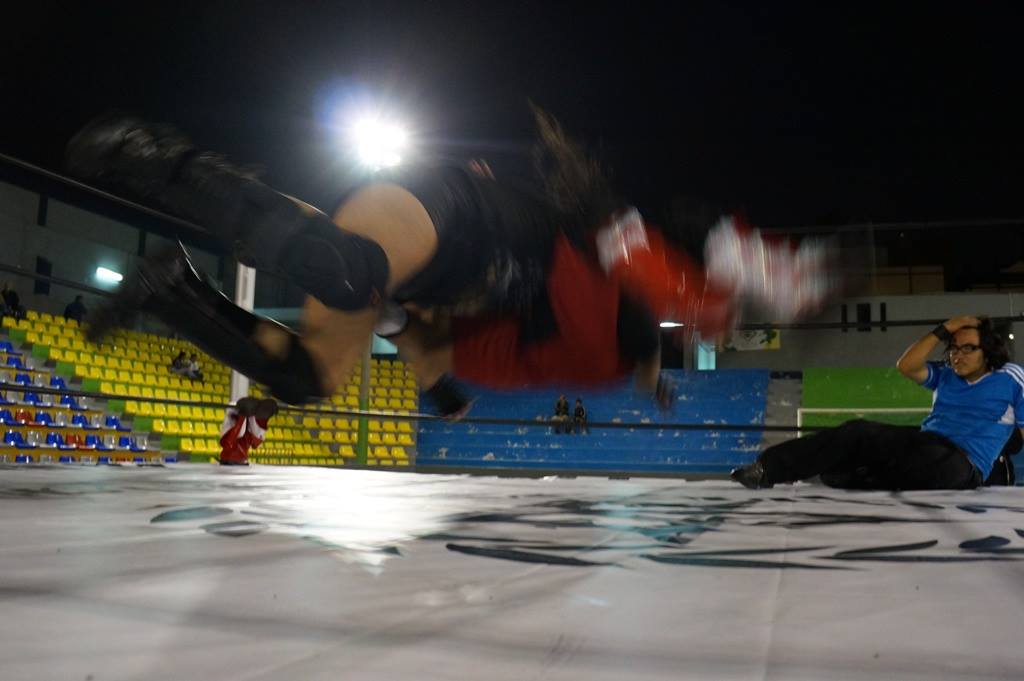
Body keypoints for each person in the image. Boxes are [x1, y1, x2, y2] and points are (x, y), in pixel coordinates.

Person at [67, 108, 837, 410]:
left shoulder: (502, 342)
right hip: (470, 221)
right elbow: (612, 236)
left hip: (426, 267)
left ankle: (171, 289)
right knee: (355, 272)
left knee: (309, 378)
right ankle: (160, 160)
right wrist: (716, 278)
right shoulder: (593, 294)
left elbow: (422, 342)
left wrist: (438, 391)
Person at [731, 316, 1024, 490]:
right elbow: (906, 365)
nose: (957, 355)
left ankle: (859, 473)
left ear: (988, 350)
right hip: (927, 441)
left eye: (968, 348)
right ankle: (766, 470)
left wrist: (997, 443)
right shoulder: (946, 375)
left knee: (900, 466)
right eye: (954, 348)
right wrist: (944, 328)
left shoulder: (1011, 378)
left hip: (963, 462)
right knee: (858, 432)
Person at [219, 397, 278, 465]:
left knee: (250, 432)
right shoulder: (233, 416)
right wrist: (242, 415)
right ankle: (243, 411)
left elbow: (255, 442)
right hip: (230, 458)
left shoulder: (251, 424)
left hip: (239, 458)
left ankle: (246, 411)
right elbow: (229, 441)